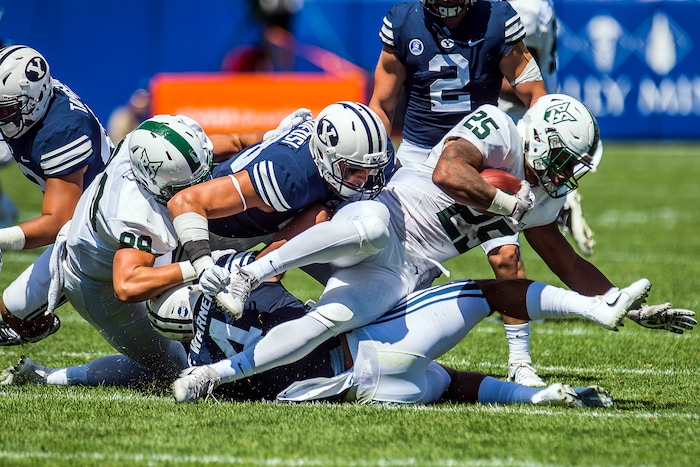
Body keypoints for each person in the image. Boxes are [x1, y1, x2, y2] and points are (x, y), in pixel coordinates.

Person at [171, 94, 693, 402]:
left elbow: (566, 261)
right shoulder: (501, 132)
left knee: (322, 324)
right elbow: (450, 170)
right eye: (565, 160)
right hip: (388, 217)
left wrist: (628, 303)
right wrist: (502, 204)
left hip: (406, 271)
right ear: (541, 141)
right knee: (370, 224)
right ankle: (255, 270)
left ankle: (211, 376)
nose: (567, 176)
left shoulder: (539, 197)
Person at [7, 250, 692, 407]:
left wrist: (49, 373)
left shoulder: (178, 352)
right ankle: (597, 307)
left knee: (448, 385)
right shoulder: (249, 295)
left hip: (359, 391)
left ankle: (538, 398)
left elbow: (118, 369)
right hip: (361, 347)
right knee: (489, 290)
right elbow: (296, 287)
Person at [368, 0, 549, 386]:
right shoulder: (403, 20)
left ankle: (520, 359)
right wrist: (375, 159)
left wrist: (534, 153)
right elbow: (382, 105)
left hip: (478, 152)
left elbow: (535, 93)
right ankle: (381, 344)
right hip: (418, 158)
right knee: (404, 266)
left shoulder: (498, 17)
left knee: (506, 256)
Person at [166, 101, 393, 317]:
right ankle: (250, 278)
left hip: (276, 215)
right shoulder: (286, 174)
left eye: (371, 170)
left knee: (366, 277)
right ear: (323, 155)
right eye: (353, 170)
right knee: (181, 313)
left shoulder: (371, 151)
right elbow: (185, 202)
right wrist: (204, 266)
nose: (364, 180)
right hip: (215, 226)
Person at [0, 45, 114, 346]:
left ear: (31, 103)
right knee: (11, 316)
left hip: (104, 227)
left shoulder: (61, 132)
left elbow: (59, 221)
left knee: (12, 314)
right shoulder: (37, 99)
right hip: (87, 217)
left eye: (4, 109)